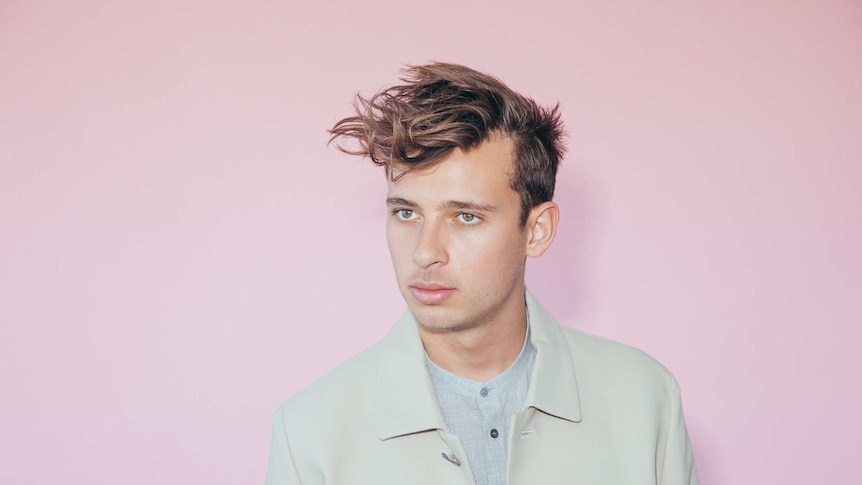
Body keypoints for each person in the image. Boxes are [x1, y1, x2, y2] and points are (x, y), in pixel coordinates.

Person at [265, 62, 699, 485]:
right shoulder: (309, 430)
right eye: (405, 212)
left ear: (536, 230)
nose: (424, 252)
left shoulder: (645, 399)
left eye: (466, 217)